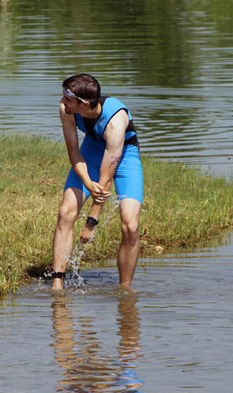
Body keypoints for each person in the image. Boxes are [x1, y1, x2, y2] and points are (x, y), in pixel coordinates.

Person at [51, 74, 144, 290]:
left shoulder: (115, 123)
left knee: (131, 225)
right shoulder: (67, 111)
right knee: (66, 211)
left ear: (84, 104)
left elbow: (106, 178)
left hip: (125, 156)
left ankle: (125, 290)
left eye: (67, 99)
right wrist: (86, 180)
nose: (62, 102)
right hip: (91, 151)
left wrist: (91, 222)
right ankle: (57, 284)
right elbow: (74, 152)